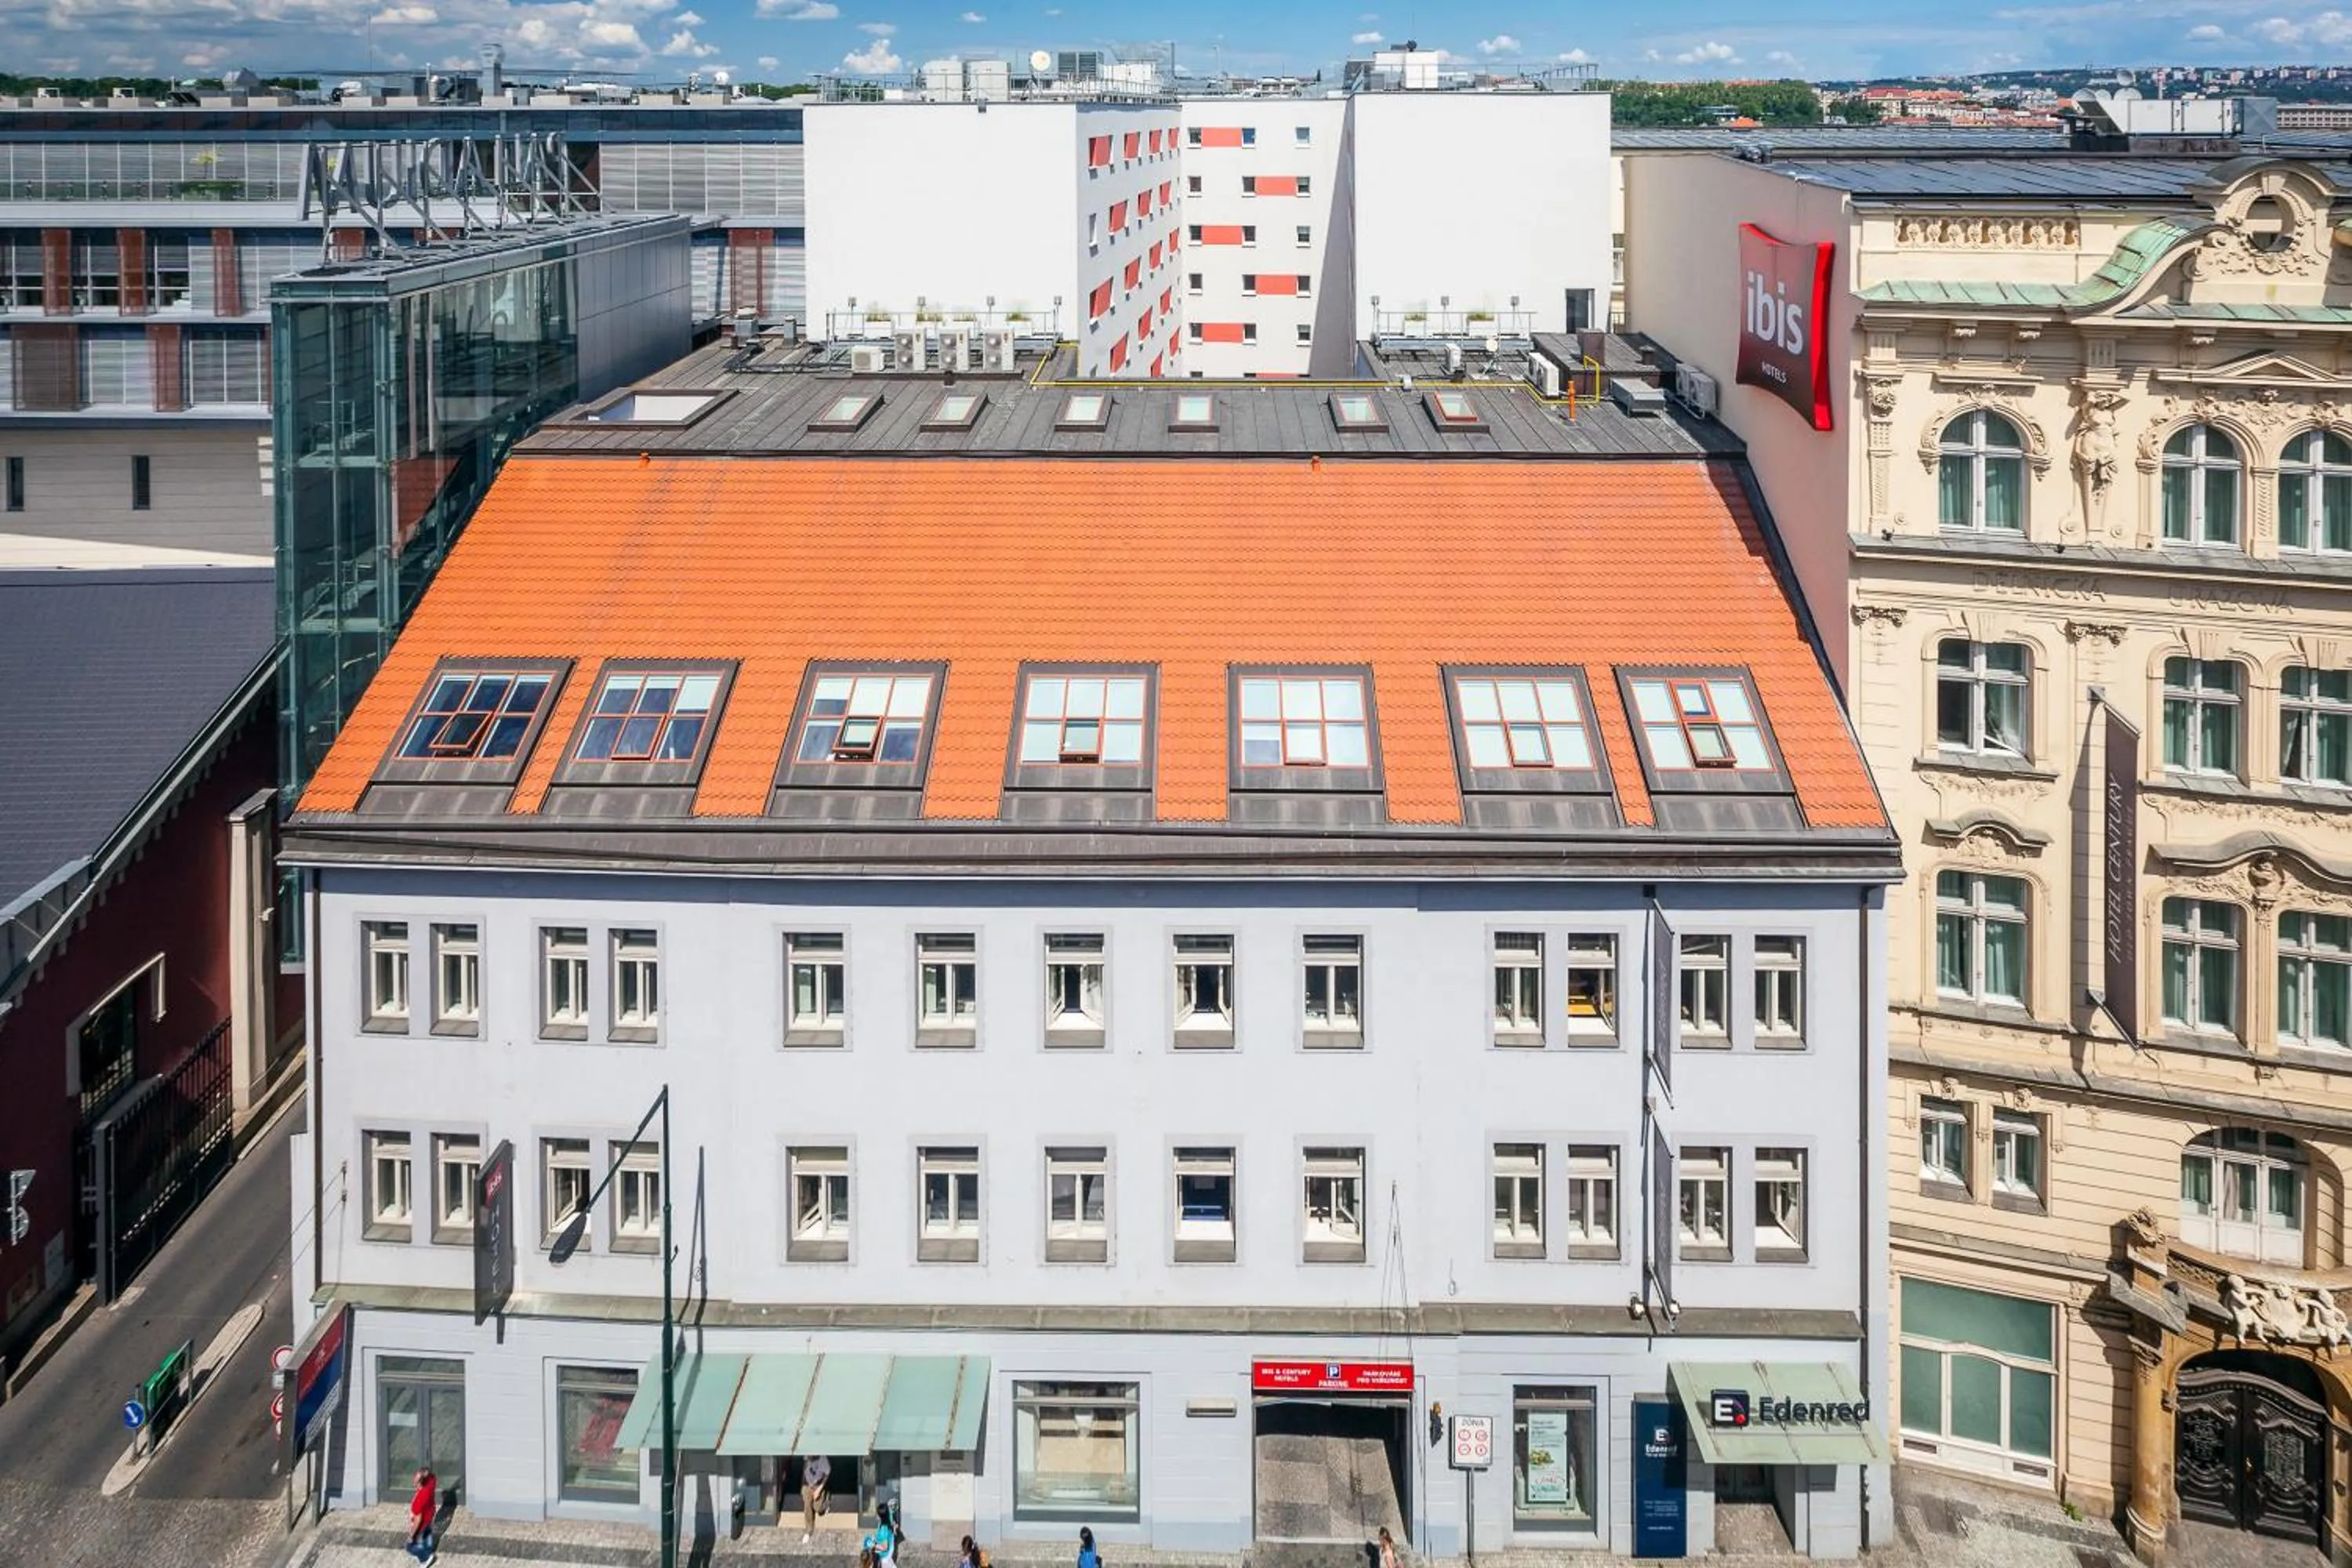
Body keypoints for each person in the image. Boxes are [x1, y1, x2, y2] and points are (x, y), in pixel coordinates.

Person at [406, 1468, 437, 1561]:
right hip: (430, 1516)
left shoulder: (419, 1500)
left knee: (410, 1547)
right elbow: (433, 1476)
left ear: (418, 1482)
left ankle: (425, 1558)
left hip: (423, 1523)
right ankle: (428, 1550)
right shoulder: (431, 1484)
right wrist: (425, 1473)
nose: (413, 1479)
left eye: (415, 1478)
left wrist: (411, 1535)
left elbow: (418, 1520)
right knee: (428, 1535)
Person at [800, 1454, 832, 1543]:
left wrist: (819, 1489)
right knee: (807, 1506)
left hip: (818, 1484)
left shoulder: (823, 1460)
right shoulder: (806, 1457)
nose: (808, 1458)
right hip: (808, 1485)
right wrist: (803, 1485)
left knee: (818, 1508)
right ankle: (808, 1530)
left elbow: (826, 1476)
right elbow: (804, 1470)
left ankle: (826, 1501)